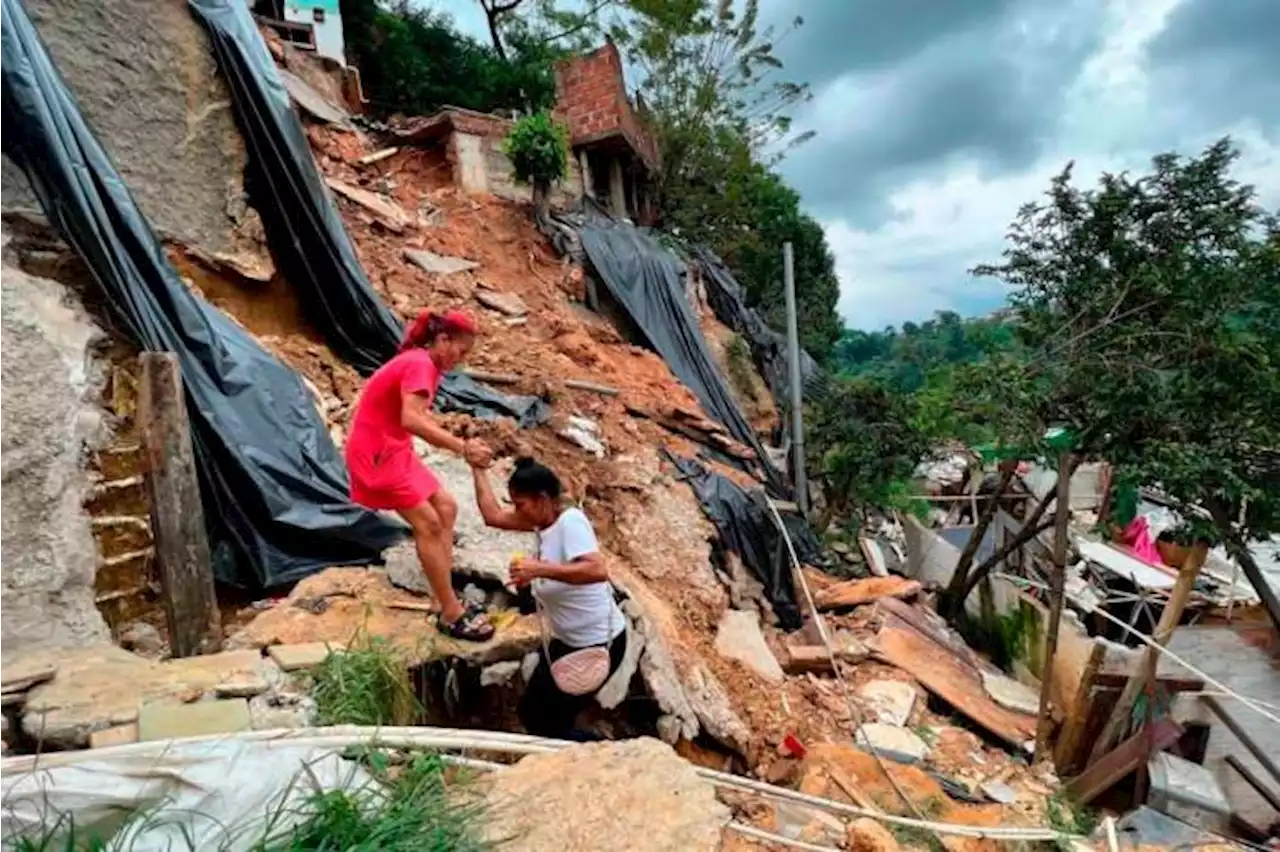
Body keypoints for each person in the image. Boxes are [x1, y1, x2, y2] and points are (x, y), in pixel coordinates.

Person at [345, 309, 495, 641]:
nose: (461, 360)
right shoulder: (420, 365)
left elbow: (410, 419)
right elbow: (412, 418)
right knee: (427, 523)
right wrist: (462, 447)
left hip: (394, 449)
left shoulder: (422, 362)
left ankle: (441, 600)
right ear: (443, 340)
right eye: (461, 351)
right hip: (378, 454)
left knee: (447, 508)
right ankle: (452, 613)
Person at [472, 457, 627, 740]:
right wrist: (477, 468)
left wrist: (539, 569)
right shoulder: (541, 525)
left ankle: (599, 754)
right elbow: (492, 515)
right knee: (533, 710)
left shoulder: (570, 522)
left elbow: (596, 569)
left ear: (542, 499)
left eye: (520, 504)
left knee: (549, 723)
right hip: (567, 640)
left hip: (597, 643)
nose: (516, 511)